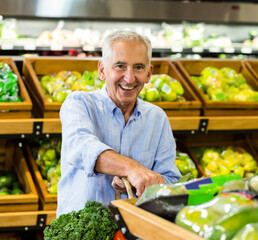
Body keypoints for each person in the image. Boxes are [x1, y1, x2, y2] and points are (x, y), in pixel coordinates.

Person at [56, 30, 181, 216]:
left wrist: (139, 184)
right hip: (79, 232)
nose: (129, 78)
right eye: (120, 66)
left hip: (133, 231)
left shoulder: (157, 118)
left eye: (138, 67)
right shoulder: (79, 104)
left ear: (149, 73)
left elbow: (170, 181)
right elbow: (82, 147)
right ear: (102, 70)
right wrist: (132, 169)